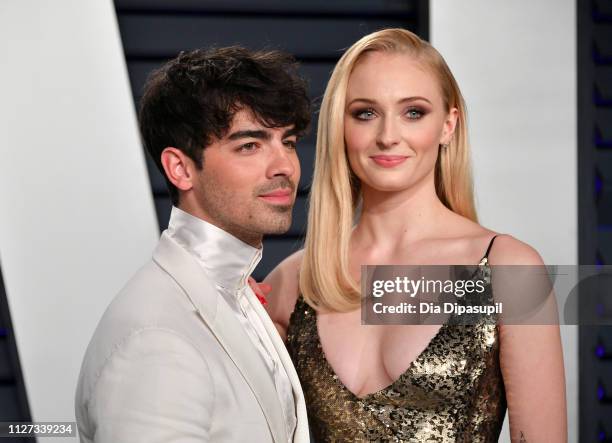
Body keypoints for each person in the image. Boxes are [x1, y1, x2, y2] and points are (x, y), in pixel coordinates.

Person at [264, 29, 567, 441]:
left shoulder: (508, 269)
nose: (388, 135)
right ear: (340, 126)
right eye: (365, 113)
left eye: (413, 112)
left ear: (448, 125)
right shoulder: (293, 281)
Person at [75, 47, 311, 443]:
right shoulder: (156, 339)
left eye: (286, 141)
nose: (284, 166)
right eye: (249, 145)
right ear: (181, 168)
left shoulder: (234, 294)